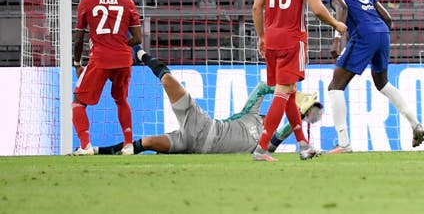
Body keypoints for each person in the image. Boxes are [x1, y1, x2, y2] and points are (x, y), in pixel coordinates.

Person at [93, 48, 323, 155]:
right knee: (169, 81)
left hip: (188, 144)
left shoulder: (266, 143)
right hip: (202, 128)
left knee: (147, 143)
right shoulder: (250, 114)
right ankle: (142, 55)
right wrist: (289, 91)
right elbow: (263, 87)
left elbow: (283, 133)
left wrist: (301, 114)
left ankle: (96, 151)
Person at [251, 0, 347, 162]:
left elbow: (256, 7)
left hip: (271, 39)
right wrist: (337, 24)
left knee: (289, 92)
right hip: (292, 39)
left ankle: (303, 145)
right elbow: (316, 9)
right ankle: (261, 148)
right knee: (282, 93)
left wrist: (261, 36)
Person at [321, 0, 424, 153]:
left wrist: (337, 38)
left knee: (335, 86)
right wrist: (377, 37)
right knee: (382, 83)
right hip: (382, 32)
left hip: (364, 34)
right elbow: (387, 18)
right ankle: (415, 124)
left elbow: (342, 8)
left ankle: (343, 143)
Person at [72, 0, 142, 155]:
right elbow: (138, 38)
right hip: (123, 59)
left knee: (78, 102)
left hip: (100, 59)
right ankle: (128, 145)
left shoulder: (87, 3)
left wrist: (77, 63)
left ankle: (85, 146)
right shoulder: (127, 3)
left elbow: (79, 38)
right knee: (121, 100)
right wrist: (120, 43)